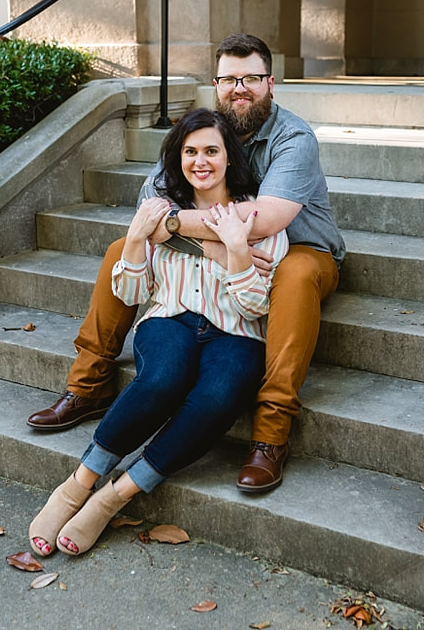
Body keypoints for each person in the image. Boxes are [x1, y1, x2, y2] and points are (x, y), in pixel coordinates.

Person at [27, 33, 346, 493]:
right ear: (215, 85)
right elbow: (147, 206)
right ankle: (89, 382)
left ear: (271, 83)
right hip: (232, 256)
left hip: (299, 250)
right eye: (229, 79)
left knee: (294, 274)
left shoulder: (293, 137)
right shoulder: (200, 133)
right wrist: (213, 245)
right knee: (123, 248)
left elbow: (265, 220)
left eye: (251, 78)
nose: (240, 88)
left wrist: (172, 223)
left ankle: (271, 433)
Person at [28, 108, 288, 556]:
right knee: (164, 378)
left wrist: (238, 250)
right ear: (178, 157)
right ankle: (78, 484)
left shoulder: (254, 219)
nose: (200, 161)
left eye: (212, 150)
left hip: (238, 333)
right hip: (169, 319)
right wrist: (134, 240)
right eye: (190, 151)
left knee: (218, 397)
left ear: (230, 158)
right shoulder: (159, 211)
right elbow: (132, 291)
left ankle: (114, 496)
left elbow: (257, 306)